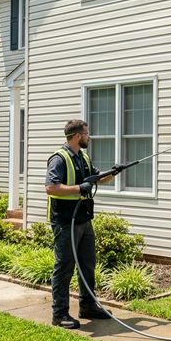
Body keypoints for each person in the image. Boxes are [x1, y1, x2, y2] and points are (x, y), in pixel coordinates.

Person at [45, 119, 114, 329]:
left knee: (87, 264)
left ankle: (88, 306)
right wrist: (78, 188)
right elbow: (51, 187)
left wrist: (112, 173)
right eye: (86, 133)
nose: (89, 137)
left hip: (84, 219)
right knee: (64, 267)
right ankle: (59, 314)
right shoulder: (59, 158)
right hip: (66, 221)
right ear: (77, 136)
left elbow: (94, 180)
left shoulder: (82, 156)